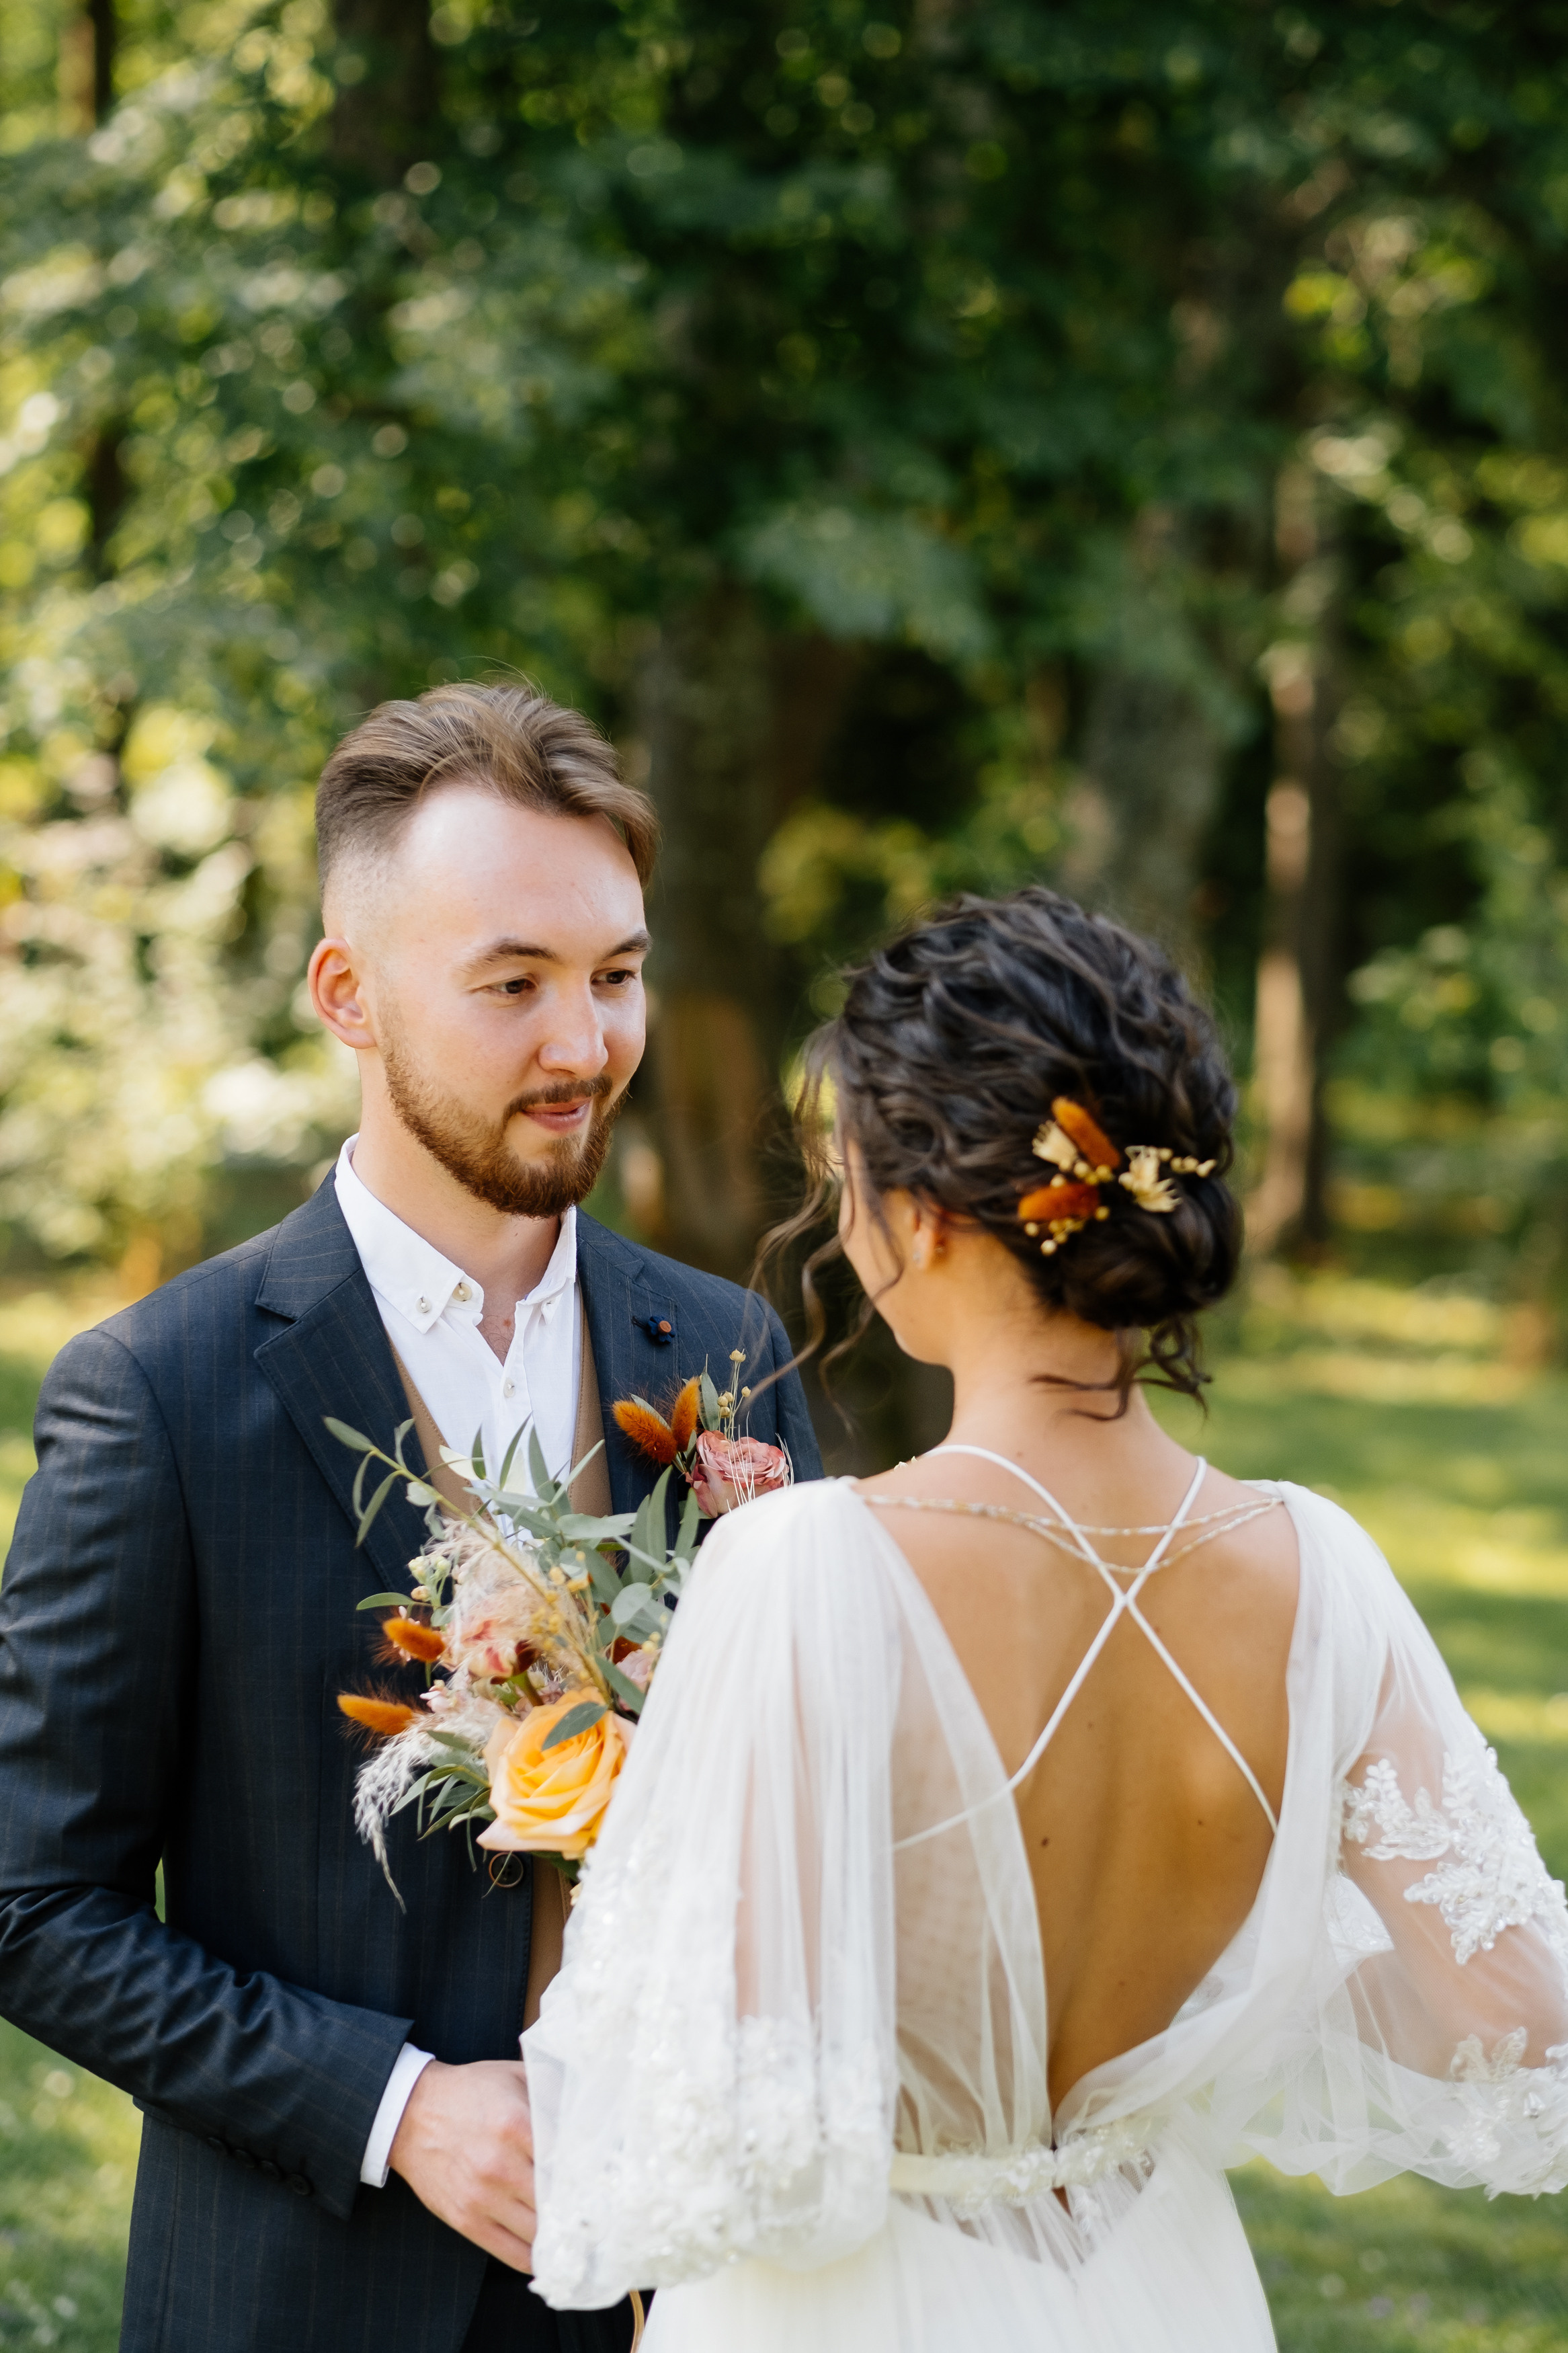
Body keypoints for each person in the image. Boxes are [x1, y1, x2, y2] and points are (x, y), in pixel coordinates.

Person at [522, 886, 1568, 2352]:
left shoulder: (805, 1569)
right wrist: (1232, 2011)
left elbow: (691, 2118)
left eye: (847, 1176)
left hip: (856, 2307)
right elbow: (1513, 2015)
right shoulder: (1323, 1573)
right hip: (1165, 2293)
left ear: (927, 1213)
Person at [0, 682, 820, 2353]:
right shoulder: (159, 1393)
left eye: (615, 975)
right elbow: (32, 1901)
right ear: (348, 995)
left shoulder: (728, 1353)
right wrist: (393, 2108)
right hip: (311, 2297)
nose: (583, 1045)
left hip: (696, 2293)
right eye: (513, 984)